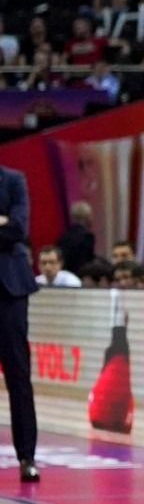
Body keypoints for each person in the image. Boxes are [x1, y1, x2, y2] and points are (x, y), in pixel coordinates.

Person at [0, 165, 37, 481]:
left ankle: (27, 456)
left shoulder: (14, 180)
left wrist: (8, 224)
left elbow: (18, 229)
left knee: (18, 375)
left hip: (9, 289)